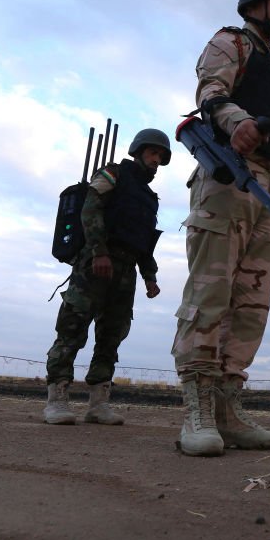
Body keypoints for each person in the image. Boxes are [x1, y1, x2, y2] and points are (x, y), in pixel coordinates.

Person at [172, 0, 270, 456]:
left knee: (251, 305)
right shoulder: (232, 43)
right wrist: (238, 123)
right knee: (210, 295)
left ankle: (228, 410)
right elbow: (211, 97)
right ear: (252, 3)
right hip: (229, 178)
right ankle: (198, 412)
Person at [43, 129, 170, 425]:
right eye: (153, 153)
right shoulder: (113, 173)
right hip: (95, 264)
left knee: (112, 336)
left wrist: (150, 277)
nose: (156, 160)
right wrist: (99, 251)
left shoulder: (150, 198)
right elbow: (91, 208)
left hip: (125, 272)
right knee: (72, 329)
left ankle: (98, 404)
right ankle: (57, 400)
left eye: (161, 157)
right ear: (138, 151)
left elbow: (144, 241)